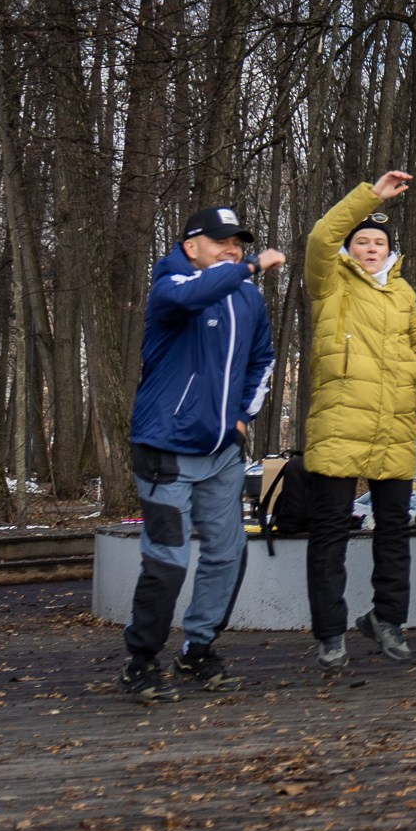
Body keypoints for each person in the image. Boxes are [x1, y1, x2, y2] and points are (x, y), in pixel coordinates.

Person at [120, 205, 281, 701]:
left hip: (221, 453)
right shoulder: (171, 284)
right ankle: (141, 661)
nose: (232, 250)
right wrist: (249, 267)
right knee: (167, 559)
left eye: (238, 243)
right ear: (191, 247)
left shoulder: (247, 297)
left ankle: (198, 650)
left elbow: (262, 359)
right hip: (165, 449)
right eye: (220, 242)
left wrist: (242, 417)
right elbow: (193, 294)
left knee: (227, 553)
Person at [300, 172, 416, 674]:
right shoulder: (329, 282)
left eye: (379, 242)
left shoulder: (403, 293)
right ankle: (330, 633)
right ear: (350, 248)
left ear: (389, 250)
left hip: (395, 422)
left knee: (394, 529)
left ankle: (388, 619)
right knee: (330, 531)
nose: (372, 248)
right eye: (362, 241)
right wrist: (369, 198)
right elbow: (320, 237)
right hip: (339, 422)